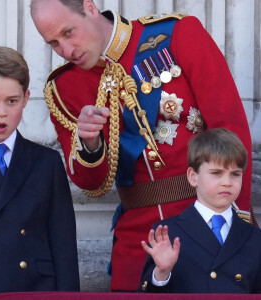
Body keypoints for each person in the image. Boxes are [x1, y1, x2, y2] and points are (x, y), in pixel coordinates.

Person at [31, 0, 253, 291]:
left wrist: (240, 223)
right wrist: (90, 143)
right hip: (137, 242)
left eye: (69, 32)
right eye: (54, 43)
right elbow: (90, 183)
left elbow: (230, 130)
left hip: (207, 223)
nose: (66, 50)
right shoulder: (64, 89)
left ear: (89, 7)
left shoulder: (178, 35)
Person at [0, 46, 80, 294]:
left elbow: (63, 247)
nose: (1, 112)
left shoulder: (47, 163)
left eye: (12, 101)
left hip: (34, 289)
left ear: (26, 98)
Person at [139, 128, 261, 294]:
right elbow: (147, 295)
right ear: (193, 176)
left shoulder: (254, 237)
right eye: (217, 173)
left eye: (235, 174)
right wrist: (162, 273)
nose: (227, 182)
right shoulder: (168, 232)